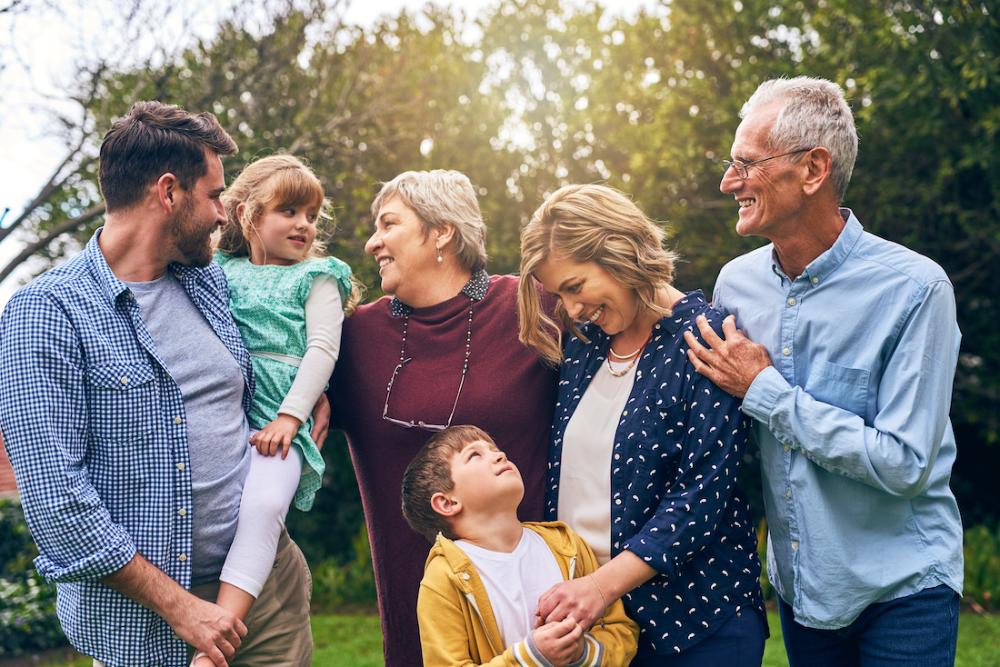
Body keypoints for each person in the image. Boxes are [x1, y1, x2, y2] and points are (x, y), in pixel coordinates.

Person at [0, 102, 314, 666]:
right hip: (146, 622)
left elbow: (276, 357)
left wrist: (304, 401)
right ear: (168, 192)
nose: (223, 215)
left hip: (264, 592)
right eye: (214, 195)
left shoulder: (211, 280)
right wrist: (183, 609)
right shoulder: (45, 313)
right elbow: (56, 502)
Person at [684, 76, 964, 666]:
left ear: (812, 169)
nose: (727, 182)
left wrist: (765, 391)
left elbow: (906, 462)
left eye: (746, 163)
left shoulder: (915, 289)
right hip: (801, 593)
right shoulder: (735, 285)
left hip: (902, 588)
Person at [518, 184, 767, 666]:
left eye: (574, 286)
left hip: (696, 625)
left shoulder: (706, 337)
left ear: (618, 252)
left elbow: (702, 495)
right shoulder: (584, 349)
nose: (570, 309)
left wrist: (597, 587)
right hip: (600, 629)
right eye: (559, 295)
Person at [327, 169, 558, 665]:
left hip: (538, 610)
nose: (372, 243)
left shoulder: (532, 306)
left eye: (389, 224)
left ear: (442, 232)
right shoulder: (353, 338)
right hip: (417, 618)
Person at [183, 155, 358, 667]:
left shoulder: (319, 276)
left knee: (262, 510)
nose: (304, 224)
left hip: (284, 423)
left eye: (311, 214)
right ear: (247, 215)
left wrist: (292, 416)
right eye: (289, 210)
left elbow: (323, 349)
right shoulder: (220, 270)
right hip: (229, 413)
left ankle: (218, 638)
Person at [401, 424, 639, 666]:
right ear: (447, 503)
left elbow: (621, 630)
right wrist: (531, 658)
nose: (499, 455)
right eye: (475, 455)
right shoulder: (443, 578)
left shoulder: (566, 545)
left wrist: (583, 654)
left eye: (495, 449)